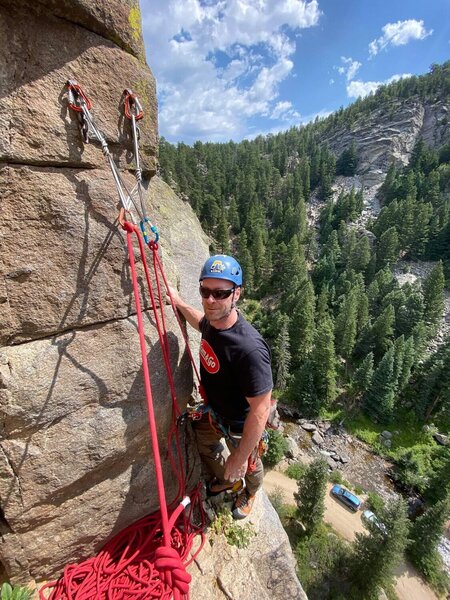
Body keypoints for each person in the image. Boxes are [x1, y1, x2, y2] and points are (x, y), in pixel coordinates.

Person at [169, 255, 273, 519]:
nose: (210, 300)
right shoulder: (213, 323)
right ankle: (227, 480)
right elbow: (199, 321)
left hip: (241, 424)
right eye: (205, 291)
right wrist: (178, 302)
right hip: (214, 412)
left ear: (236, 294)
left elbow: (260, 410)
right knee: (202, 440)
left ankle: (249, 493)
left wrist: (239, 456)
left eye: (220, 293)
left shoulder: (248, 349)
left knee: (250, 464)